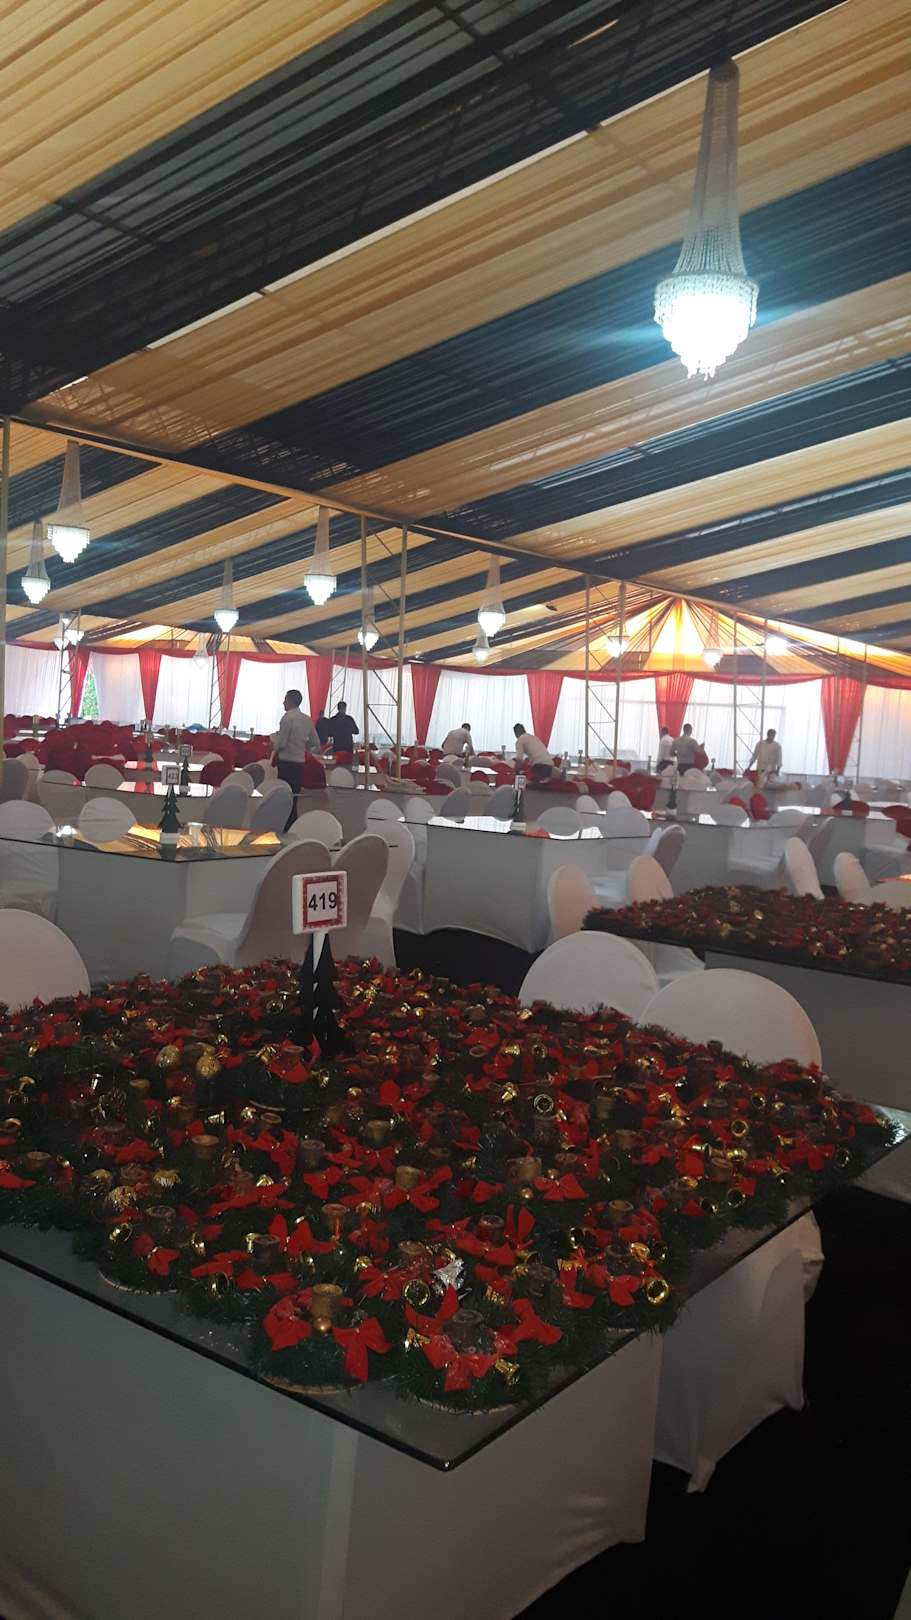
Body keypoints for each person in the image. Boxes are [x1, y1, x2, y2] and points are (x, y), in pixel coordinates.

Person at [272, 690, 321, 826]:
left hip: (286, 763)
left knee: (283, 798)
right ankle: (292, 826)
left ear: (290, 701)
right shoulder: (307, 719)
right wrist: (302, 746)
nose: (283, 702)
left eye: (285, 699)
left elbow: (281, 744)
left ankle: (282, 826)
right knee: (294, 798)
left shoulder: (287, 718)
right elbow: (316, 742)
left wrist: (274, 744)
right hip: (299, 764)